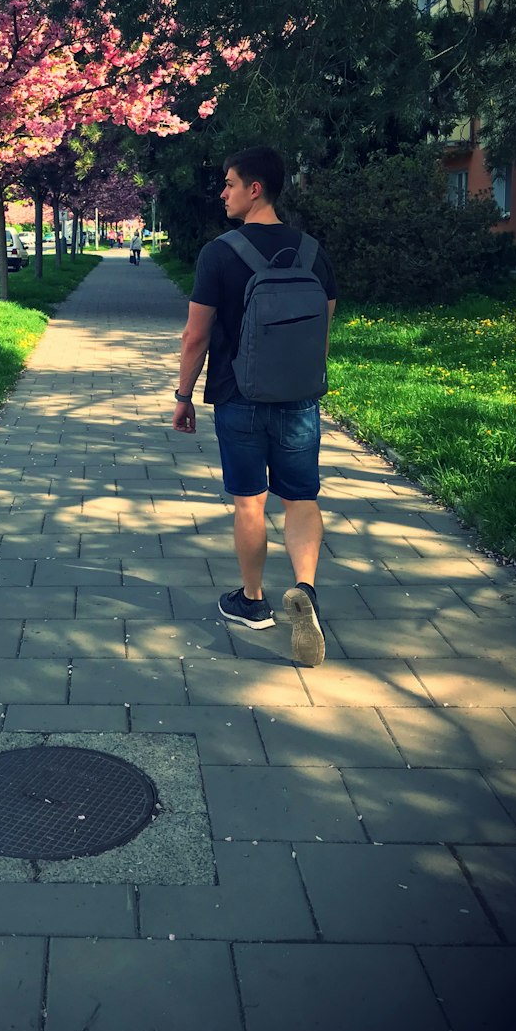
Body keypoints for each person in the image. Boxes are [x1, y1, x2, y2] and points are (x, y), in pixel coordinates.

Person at [172, 146, 337, 666]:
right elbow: (322, 334)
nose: (222, 193)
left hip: (238, 397)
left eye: (228, 183)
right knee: (301, 499)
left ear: (255, 189)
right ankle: (305, 589)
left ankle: (253, 602)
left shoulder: (220, 253)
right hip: (299, 400)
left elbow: (195, 337)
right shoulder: (314, 253)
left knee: (250, 503)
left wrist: (182, 396)